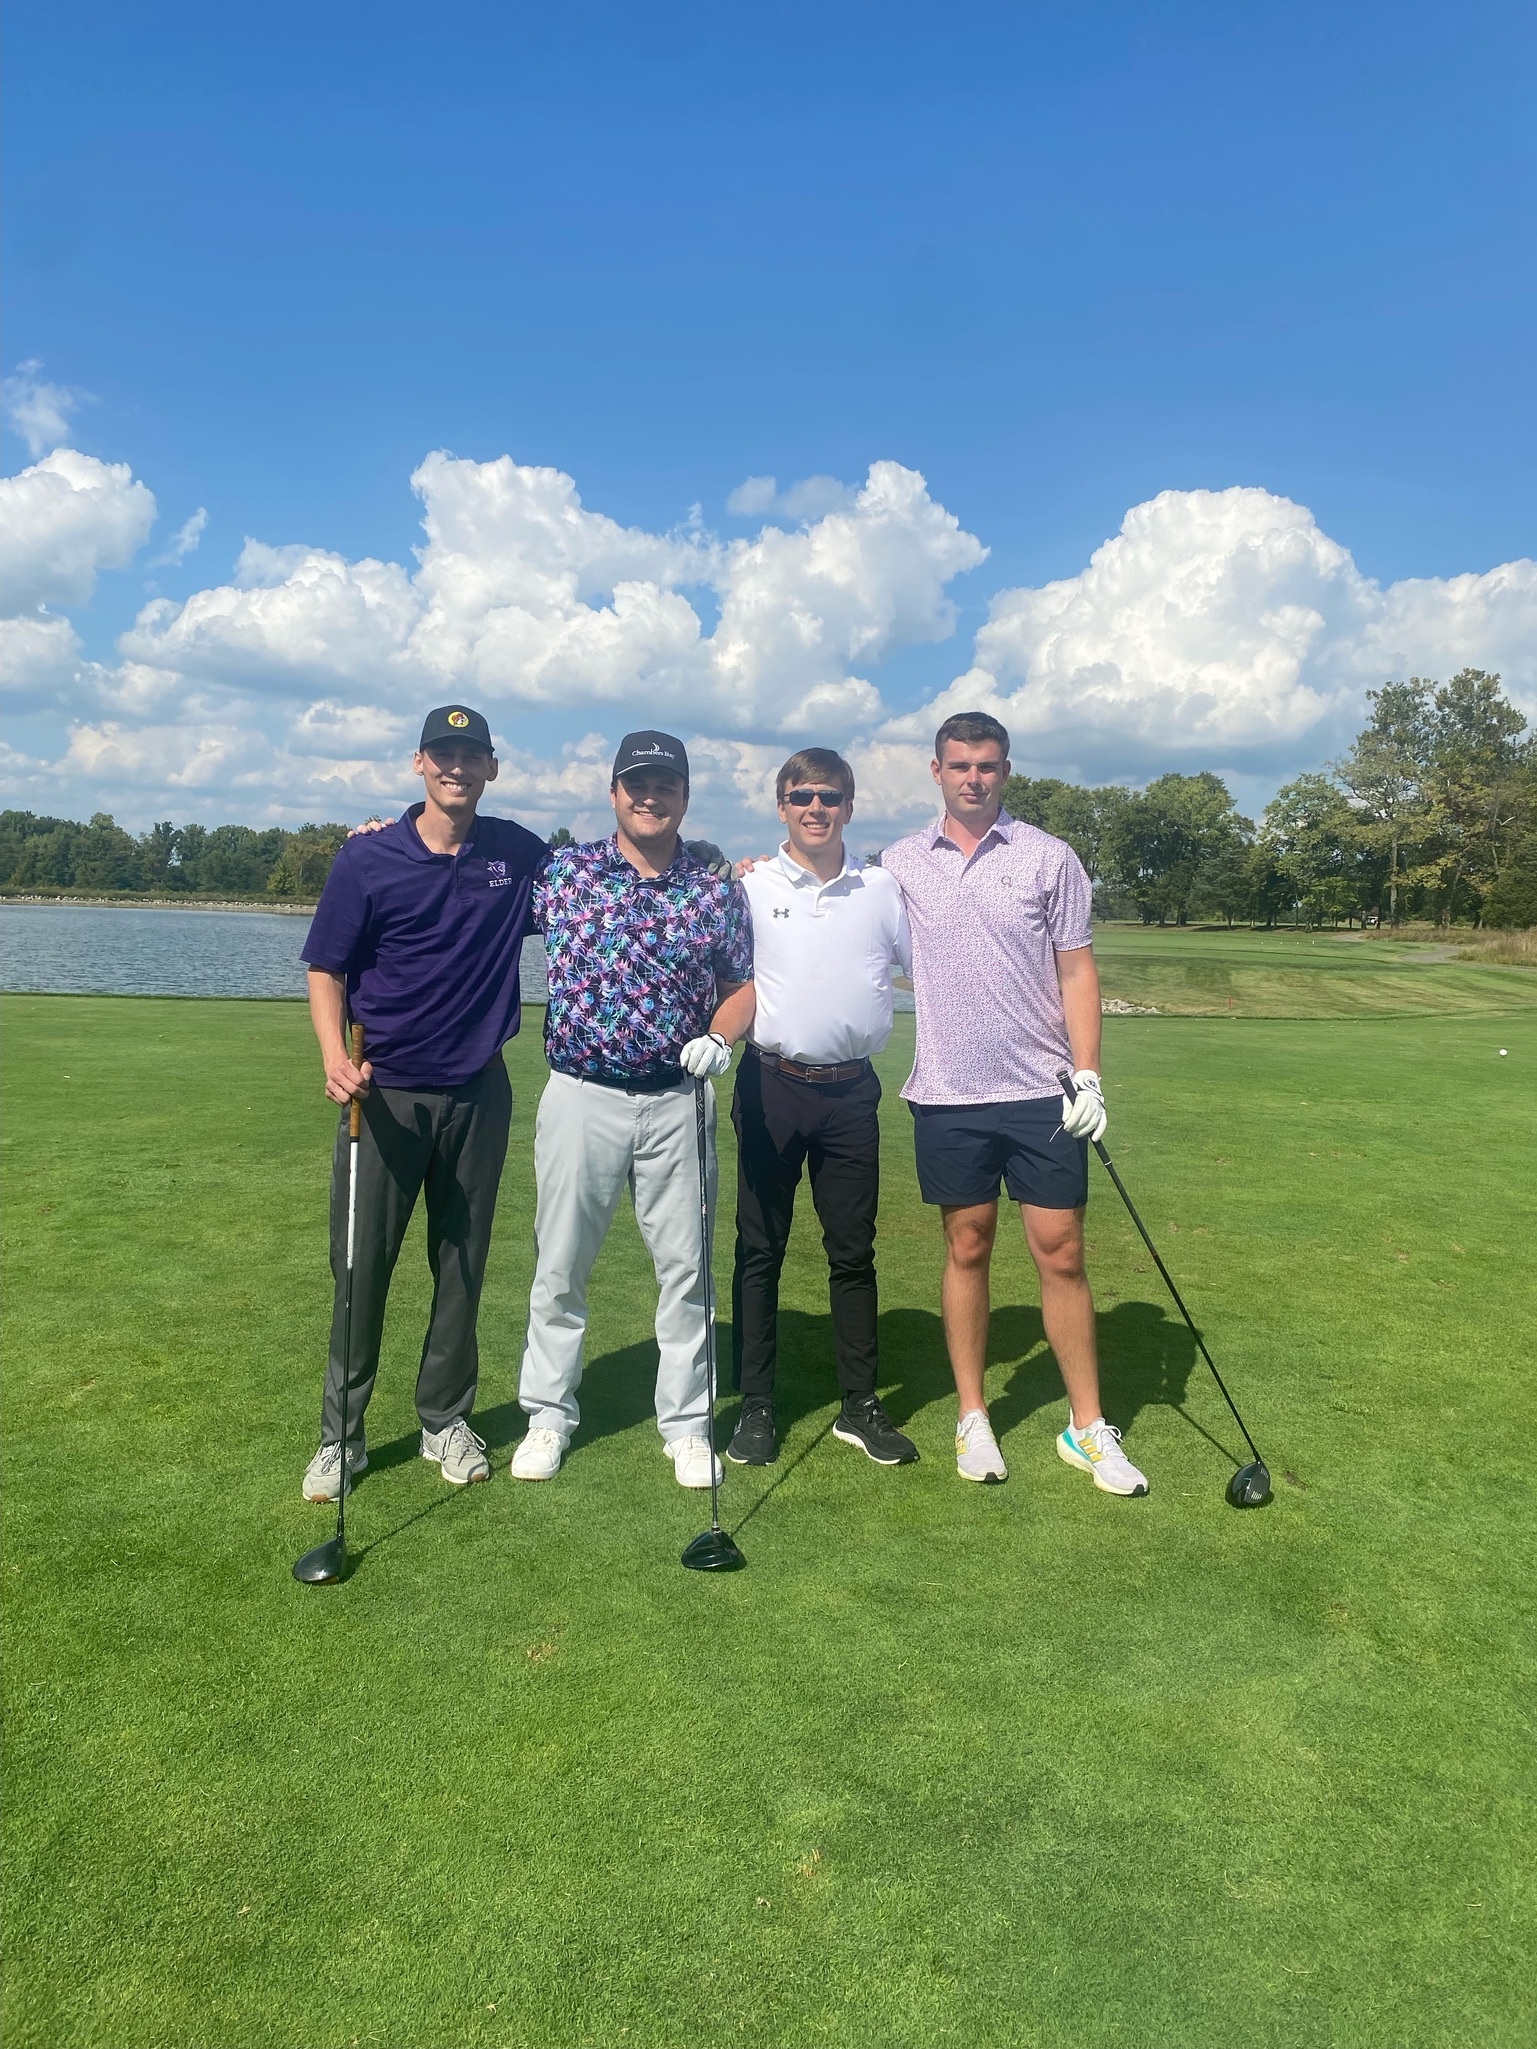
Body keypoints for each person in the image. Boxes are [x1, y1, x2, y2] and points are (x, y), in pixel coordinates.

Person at [879, 711, 1149, 1496]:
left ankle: (1086, 1424)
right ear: (936, 771)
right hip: (947, 1092)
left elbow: (1076, 971)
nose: (973, 777)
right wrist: (757, 873)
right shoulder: (898, 863)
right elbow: (834, 910)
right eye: (959, 765)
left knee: (1061, 1251)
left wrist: (1088, 1074)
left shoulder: (1048, 857)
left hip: (1041, 1091)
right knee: (966, 1245)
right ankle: (973, 1414)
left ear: (1005, 770)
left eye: (987, 765)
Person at [298, 705, 548, 1503]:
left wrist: (723, 870)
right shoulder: (367, 857)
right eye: (443, 754)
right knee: (360, 1265)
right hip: (382, 1094)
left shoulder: (516, 853)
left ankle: (444, 1419)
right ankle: (341, 1435)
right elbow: (326, 968)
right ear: (419, 762)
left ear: (491, 767)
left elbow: (604, 886)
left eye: (471, 755)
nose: (456, 767)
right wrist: (334, 1056)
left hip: (478, 1090)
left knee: (461, 1263)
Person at [511, 731, 755, 1488]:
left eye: (665, 786)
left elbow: (742, 986)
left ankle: (686, 1426)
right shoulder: (564, 872)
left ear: (684, 796)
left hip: (678, 1099)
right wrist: (382, 832)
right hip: (580, 1096)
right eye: (637, 785)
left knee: (687, 1272)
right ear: (614, 792)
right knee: (560, 1265)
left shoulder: (713, 889)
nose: (651, 798)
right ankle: (547, 1415)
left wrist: (721, 1036)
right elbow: (463, 880)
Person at [726, 748, 917, 1469]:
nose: (815, 808)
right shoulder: (750, 885)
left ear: (848, 806)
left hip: (850, 1092)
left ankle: (859, 1404)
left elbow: (926, 969)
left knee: (852, 1250)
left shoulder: (881, 888)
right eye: (802, 796)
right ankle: (756, 1403)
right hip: (771, 1084)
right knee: (759, 1248)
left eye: (829, 797)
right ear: (781, 806)